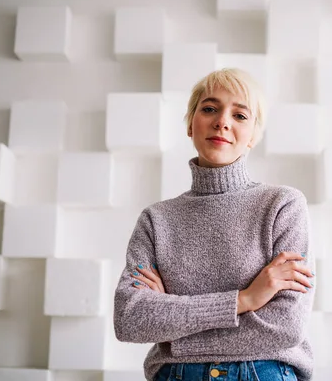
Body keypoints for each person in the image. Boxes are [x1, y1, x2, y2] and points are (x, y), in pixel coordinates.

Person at [113, 68, 316, 381]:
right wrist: (245, 300)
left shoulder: (282, 206)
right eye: (209, 109)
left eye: (240, 115)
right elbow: (131, 318)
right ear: (190, 125)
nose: (222, 121)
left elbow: (284, 326)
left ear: (253, 137)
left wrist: (173, 330)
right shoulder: (157, 220)